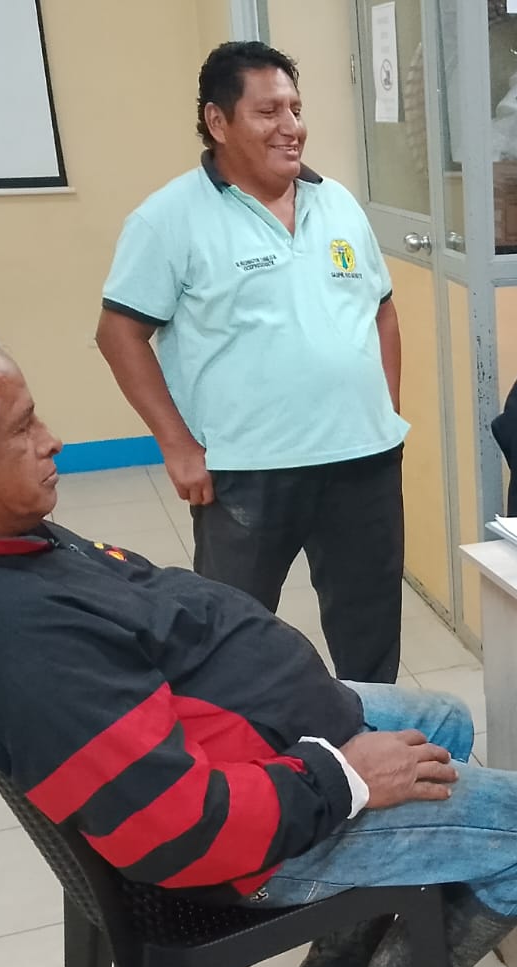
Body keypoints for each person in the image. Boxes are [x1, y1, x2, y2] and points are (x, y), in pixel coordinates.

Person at [0, 318, 517, 967]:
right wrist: (349, 778)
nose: (51, 440)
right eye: (23, 427)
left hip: (246, 734)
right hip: (248, 833)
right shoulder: (14, 636)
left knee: (444, 721)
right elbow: (179, 826)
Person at [96, 42, 408, 685]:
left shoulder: (337, 203)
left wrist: (386, 409)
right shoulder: (168, 218)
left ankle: (373, 732)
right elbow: (119, 333)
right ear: (218, 121)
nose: (291, 126)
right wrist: (177, 444)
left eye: (295, 108)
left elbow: (382, 311)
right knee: (228, 637)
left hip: (363, 460)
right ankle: (242, 742)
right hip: (246, 470)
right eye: (268, 112)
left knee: (370, 632)